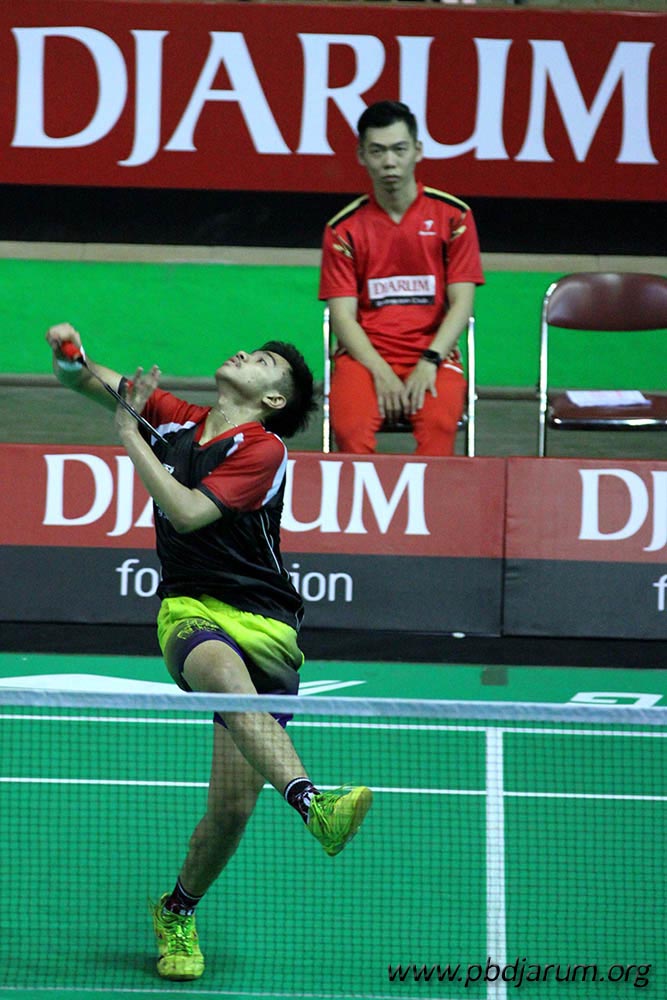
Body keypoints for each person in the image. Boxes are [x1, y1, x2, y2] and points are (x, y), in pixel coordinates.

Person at [45, 323, 373, 982]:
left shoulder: (264, 450)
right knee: (221, 672)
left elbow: (190, 512)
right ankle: (314, 803)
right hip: (191, 609)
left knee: (230, 810)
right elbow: (93, 381)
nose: (246, 354)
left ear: (273, 400)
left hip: (267, 625)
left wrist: (128, 437)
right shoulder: (176, 419)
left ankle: (176, 911)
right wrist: (70, 358)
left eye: (264, 362)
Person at [319, 100, 485, 456]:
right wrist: (379, 370)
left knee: (440, 425)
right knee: (350, 428)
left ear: (418, 151)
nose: (389, 162)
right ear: (362, 156)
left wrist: (430, 360)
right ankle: (359, 497)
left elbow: (462, 303)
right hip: (363, 359)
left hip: (433, 354)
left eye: (399, 149)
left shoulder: (454, 216)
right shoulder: (343, 229)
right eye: (377, 151)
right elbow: (342, 317)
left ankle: (432, 497)